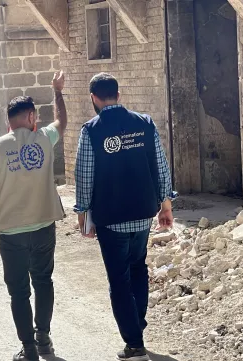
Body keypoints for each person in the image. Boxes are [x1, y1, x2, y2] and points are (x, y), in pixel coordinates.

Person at [75, 73, 175, 361]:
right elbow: (160, 164)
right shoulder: (144, 123)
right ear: (119, 95)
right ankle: (136, 328)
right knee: (137, 269)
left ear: (94, 98)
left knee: (119, 281)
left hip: (111, 218)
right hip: (143, 215)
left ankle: (134, 343)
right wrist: (165, 204)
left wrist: (83, 212)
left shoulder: (91, 130)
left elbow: (84, 174)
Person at [0, 71, 67, 361]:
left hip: (10, 231)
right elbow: (62, 122)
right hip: (43, 226)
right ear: (31, 117)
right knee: (43, 281)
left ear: (8, 121)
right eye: (35, 118)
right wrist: (57, 91)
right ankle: (44, 338)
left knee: (18, 292)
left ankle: (28, 349)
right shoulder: (44, 138)